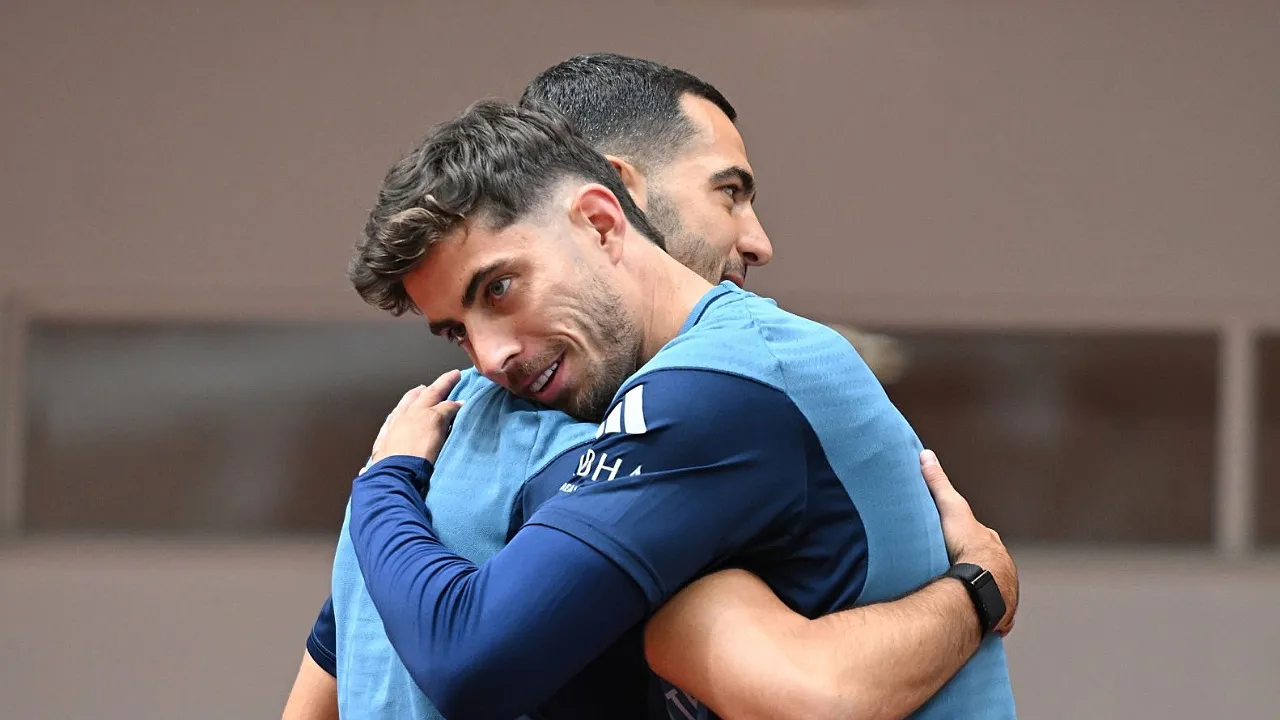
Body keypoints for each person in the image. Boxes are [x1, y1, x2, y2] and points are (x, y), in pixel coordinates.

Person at [282, 55, 1018, 720]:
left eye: (500, 288)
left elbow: (465, 657)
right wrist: (978, 590)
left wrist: (381, 482)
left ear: (603, 219)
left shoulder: (719, 384)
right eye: (456, 331)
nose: (491, 357)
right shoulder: (477, 427)